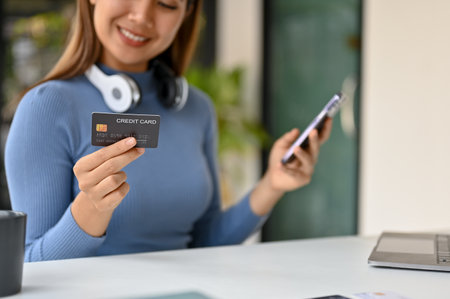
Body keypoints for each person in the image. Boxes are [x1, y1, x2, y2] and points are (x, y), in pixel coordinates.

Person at [5, 0, 332, 262]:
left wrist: (272, 185)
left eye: (166, 4)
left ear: (186, 14)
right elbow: (32, 264)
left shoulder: (197, 109)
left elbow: (206, 241)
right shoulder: (46, 107)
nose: (142, 15)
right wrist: (92, 207)